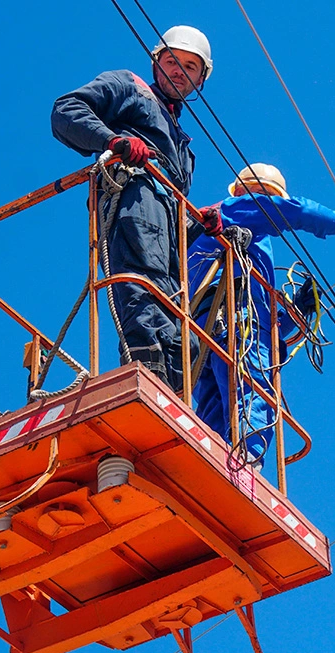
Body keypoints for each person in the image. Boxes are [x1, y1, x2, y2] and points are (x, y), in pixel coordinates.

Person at [51, 25, 212, 391]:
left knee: (181, 328)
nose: (179, 71)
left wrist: (203, 224)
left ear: (202, 78)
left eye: (190, 66)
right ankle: (148, 378)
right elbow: (66, 111)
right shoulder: (130, 87)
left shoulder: (183, 148)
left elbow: (175, 217)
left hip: (167, 236)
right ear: (156, 63)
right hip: (132, 201)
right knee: (142, 289)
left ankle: (173, 391)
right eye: (172, 61)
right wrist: (114, 140)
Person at [188, 163, 335, 468]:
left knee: (216, 408)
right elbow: (296, 211)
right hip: (235, 321)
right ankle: (247, 462)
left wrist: (296, 310)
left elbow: (265, 318)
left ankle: (210, 463)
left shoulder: (231, 234)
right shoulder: (239, 209)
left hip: (202, 333)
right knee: (253, 390)